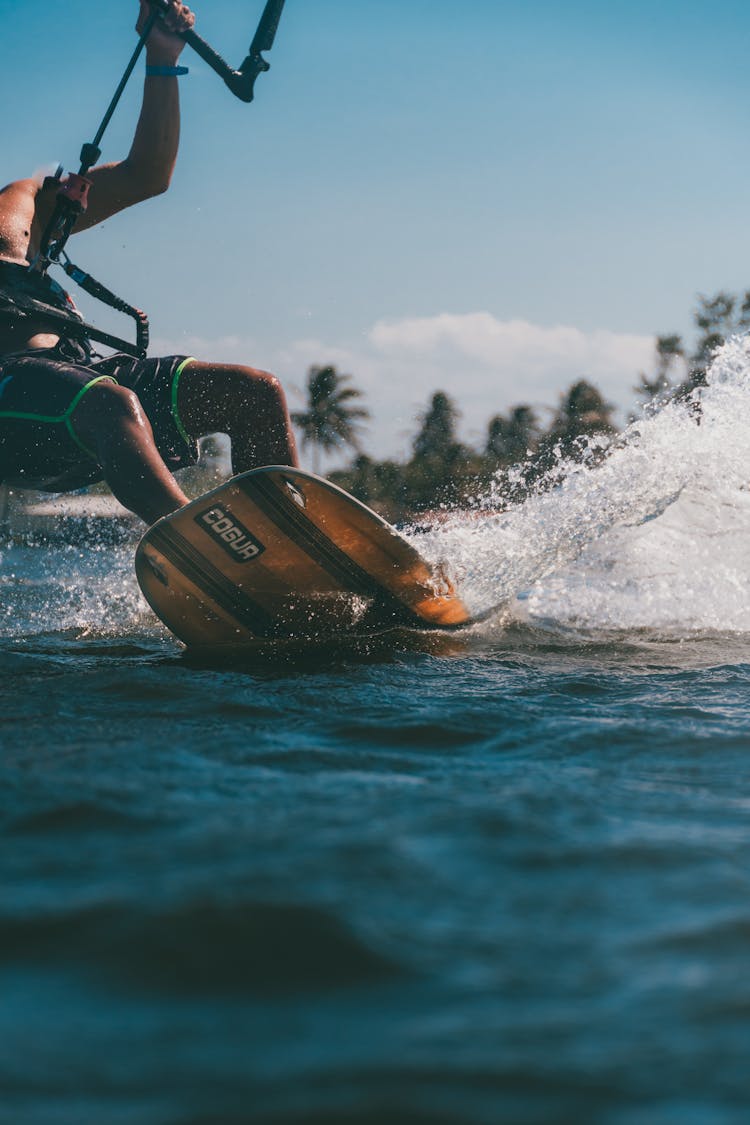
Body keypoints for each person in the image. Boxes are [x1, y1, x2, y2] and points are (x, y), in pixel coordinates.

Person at [0, 0, 299, 526]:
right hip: (20, 412)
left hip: (81, 386)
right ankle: (208, 548)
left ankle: (294, 541)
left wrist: (161, 57)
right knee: (110, 403)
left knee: (253, 393)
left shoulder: (21, 203)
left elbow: (147, 174)